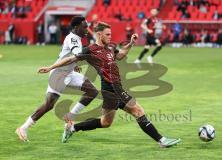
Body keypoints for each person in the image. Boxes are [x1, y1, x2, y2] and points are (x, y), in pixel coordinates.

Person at [38, 22, 181, 148]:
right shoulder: (90, 50)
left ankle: (73, 128)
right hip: (111, 89)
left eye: (111, 34)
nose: (110, 36)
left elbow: (120, 56)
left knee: (106, 122)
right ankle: (161, 140)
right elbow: (70, 59)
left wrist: (130, 44)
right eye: (107, 34)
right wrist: (51, 67)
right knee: (138, 111)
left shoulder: (111, 47)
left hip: (114, 89)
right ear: (99, 35)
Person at [16, 16, 98, 142]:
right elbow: (78, 54)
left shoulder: (76, 38)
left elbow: (72, 56)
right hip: (59, 74)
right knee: (49, 105)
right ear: (76, 27)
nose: (87, 28)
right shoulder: (73, 39)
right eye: (84, 26)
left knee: (92, 91)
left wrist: (74, 66)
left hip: (69, 73)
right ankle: (23, 128)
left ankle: (70, 117)